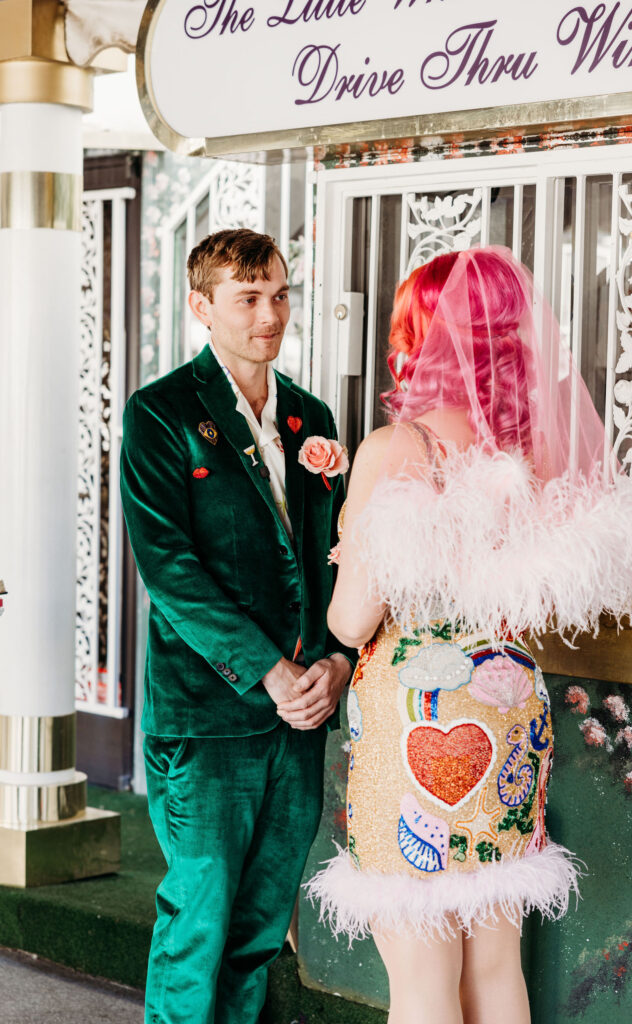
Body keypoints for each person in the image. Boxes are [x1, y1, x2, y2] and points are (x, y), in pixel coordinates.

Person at [308, 246, 632, 1024]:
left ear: (420, 331)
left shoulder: (397, 450)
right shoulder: (538, 453)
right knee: (494, 965)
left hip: (418, 717)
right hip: (509, 705)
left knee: (420, 977)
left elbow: (348, 620)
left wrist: (344, 548)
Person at [120, 228, 355, 1024]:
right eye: (248, 298)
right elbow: (171, 570)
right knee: (201, 922)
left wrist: (337, 660)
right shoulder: (161, 414)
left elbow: (337, 558)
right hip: (208, 718)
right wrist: (269, 669)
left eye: (281, 295)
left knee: (259, 930)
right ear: (201, 306)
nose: (270, 314)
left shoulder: (312, 418)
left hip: (300, 720)